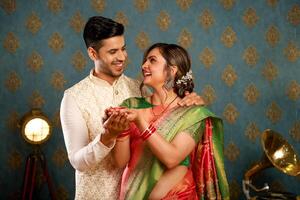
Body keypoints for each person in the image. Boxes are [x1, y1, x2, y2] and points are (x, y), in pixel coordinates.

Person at [60, 16, 205, 199]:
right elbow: (77, 161)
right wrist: (107, 137)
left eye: (123, 49)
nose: (122, 57)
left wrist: (192, 101)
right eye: (113, 51)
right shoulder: (74, 97)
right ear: (93, 54)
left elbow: (170, 127)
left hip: (146, 192)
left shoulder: (140, 89)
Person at [110, 43, 230, 199]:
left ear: (172, 71)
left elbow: (172, 158)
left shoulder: (192, 112)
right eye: (145, 60)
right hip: (134, 192)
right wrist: (120, 129)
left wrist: (141, 122)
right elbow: (120, 162)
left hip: (178, 195)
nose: (144, 65)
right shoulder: (131, 105)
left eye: (152, 60)